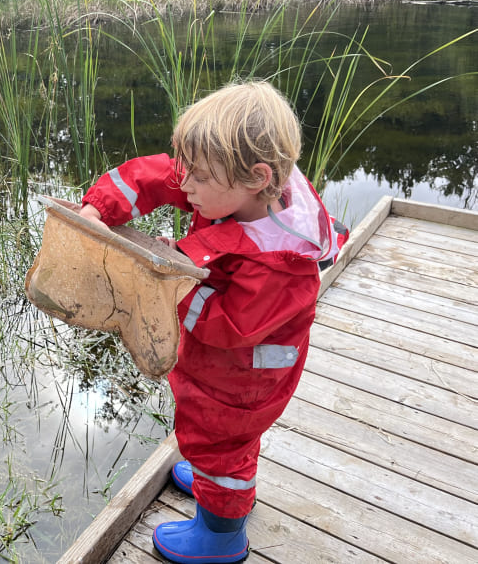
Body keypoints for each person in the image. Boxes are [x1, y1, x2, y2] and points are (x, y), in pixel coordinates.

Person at [78, 81, 348, 563]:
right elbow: (160, 175)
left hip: (244, 376)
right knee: (216, 440)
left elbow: (227, 326)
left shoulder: (279, 262)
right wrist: (101, 206)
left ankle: (222, 533)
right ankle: (214, 473)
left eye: (199, 177)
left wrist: (171, 279)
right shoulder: (236, 189)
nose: (186, 186)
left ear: (256, 177)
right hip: (221, 365)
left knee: (222, 441)